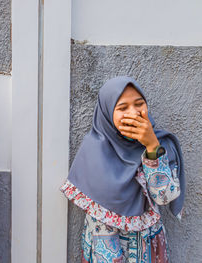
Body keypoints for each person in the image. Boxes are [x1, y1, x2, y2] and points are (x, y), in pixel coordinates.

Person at [61, 76, 185, 262]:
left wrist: (151, 146)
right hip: (105, 247)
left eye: (139, 104)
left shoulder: (161, 144)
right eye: (122, 108)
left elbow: (164, 197)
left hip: (148, 248)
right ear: (107, 112)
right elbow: (98, 221)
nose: (134, 113)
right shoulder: (94, 150)